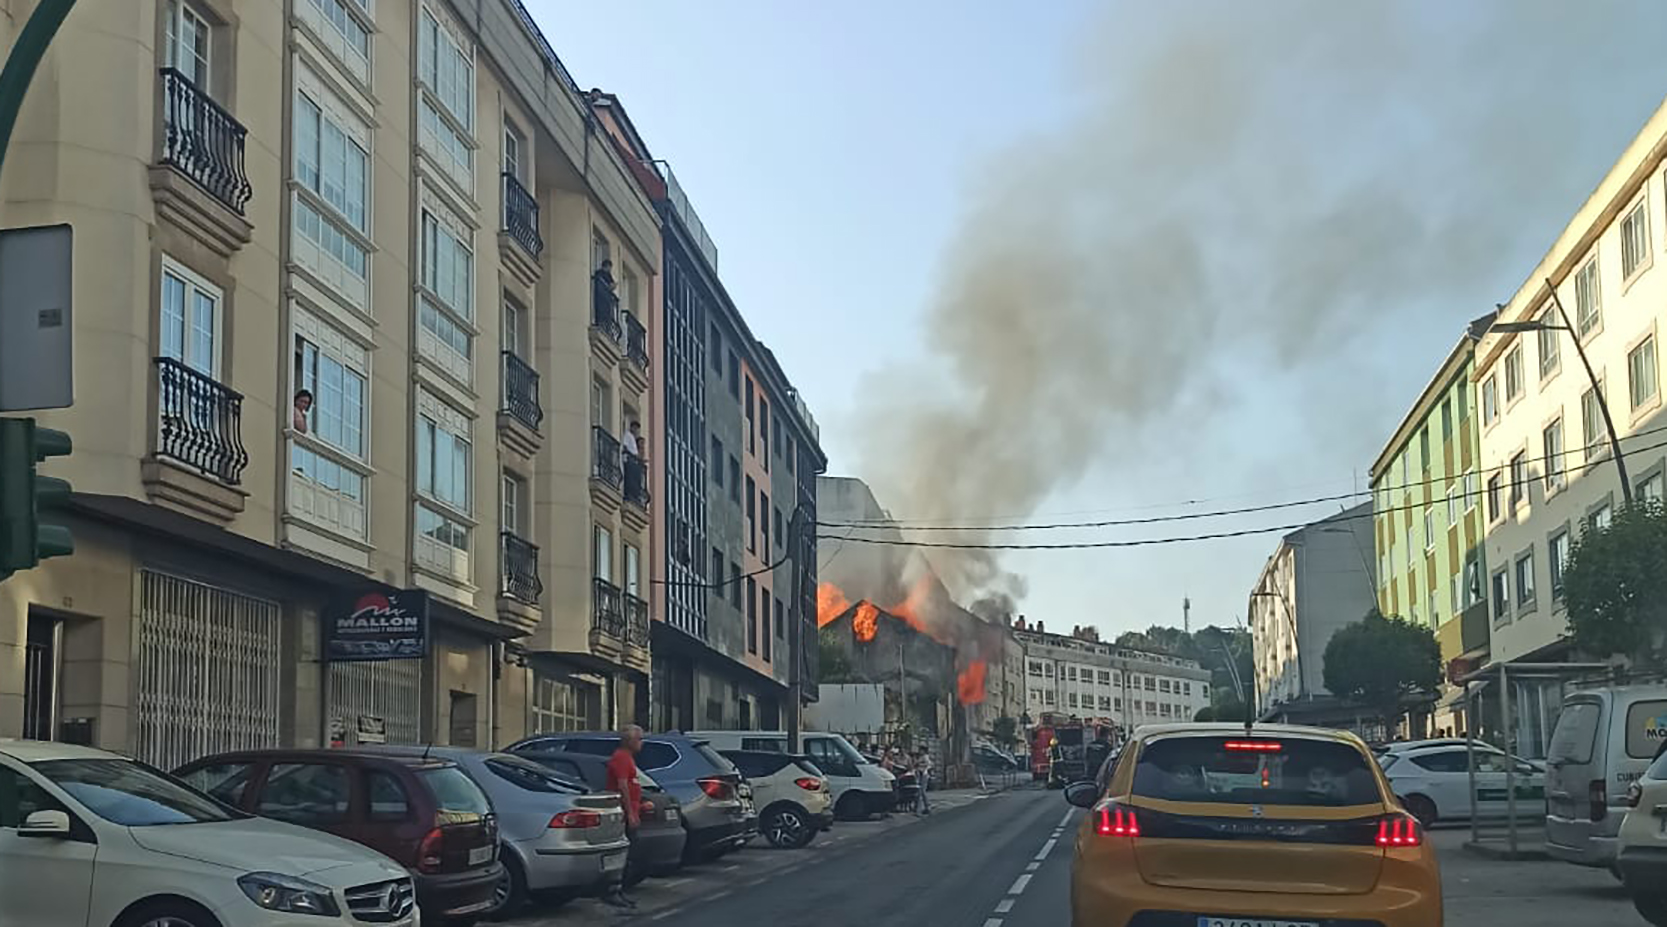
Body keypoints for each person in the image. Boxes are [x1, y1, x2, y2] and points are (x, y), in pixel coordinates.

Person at [602, 725, 644, 909]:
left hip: (630, 810)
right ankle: (612, 891)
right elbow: (623, 786)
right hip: (622, 814)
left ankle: (619, 890)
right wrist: (631, 813)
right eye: (640, 739)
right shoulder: (621, 758)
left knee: (628, 854)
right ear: (630, 741)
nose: (642, 743)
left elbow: (632, 785)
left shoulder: (628, 759)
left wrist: (640, 805)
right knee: (621, 854)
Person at [913, 751, 932, 815]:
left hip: (923, 775)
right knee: (920, 793)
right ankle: (924, 807)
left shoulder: (925, 757)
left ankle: (921, 809)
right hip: (919, 774)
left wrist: (919, 764)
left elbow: (928, 764)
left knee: (921, 792)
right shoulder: (919, 757)